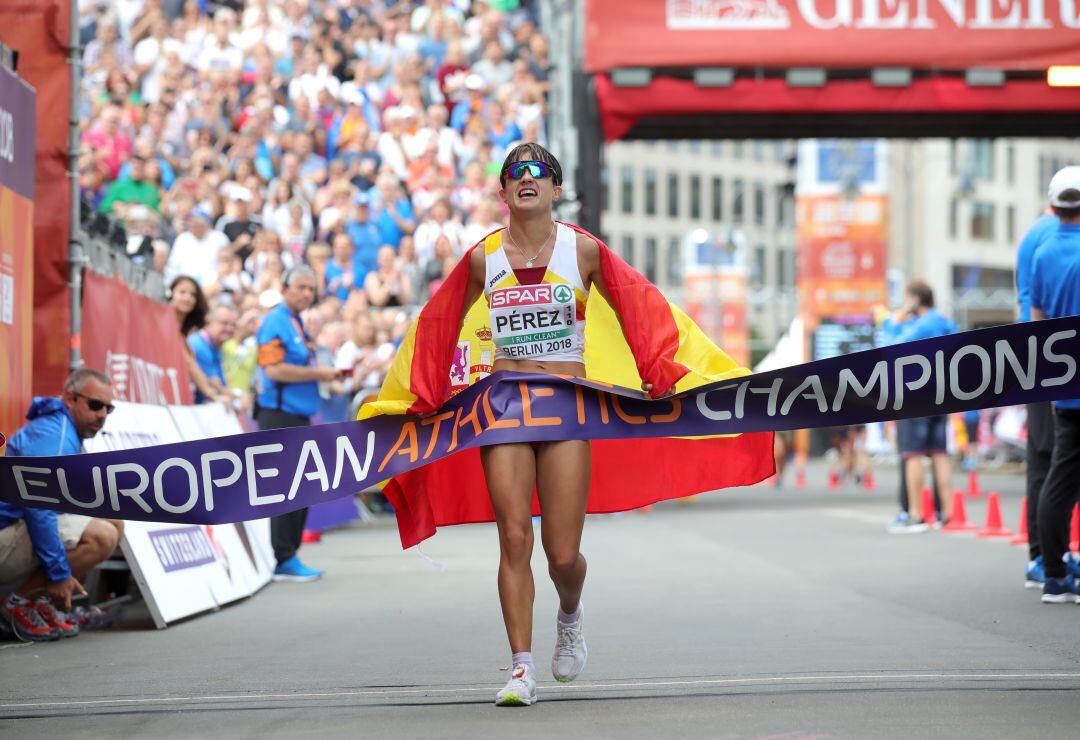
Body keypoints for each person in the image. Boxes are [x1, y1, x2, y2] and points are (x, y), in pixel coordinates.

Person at [0, 369, 125, 642]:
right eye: (95, 405)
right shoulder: (54, 435)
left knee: (113, 520)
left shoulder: (66, 431)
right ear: (70, 398)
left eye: (108, 408)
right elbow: (38, 507)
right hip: (6, 534)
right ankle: (18, 605)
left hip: (15, 530)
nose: (102, 414)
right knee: (101, 536)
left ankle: (43, 602)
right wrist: (58, 574)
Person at [255, 265, 339, 582]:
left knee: (301, 487)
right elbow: (273, 370)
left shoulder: (295, 322)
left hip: (298, 414)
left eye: (310, 289)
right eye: (300, 287)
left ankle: (289, 556)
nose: (306, 294)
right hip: (279, 415)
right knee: (286, 489)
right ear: (284, 287)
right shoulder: (274, 321)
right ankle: (284, 558)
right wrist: (319, 374)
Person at [1029, 166, 1080, 604]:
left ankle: (1055, 572)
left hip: (1066, 386)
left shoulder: (1043, 252)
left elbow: (1037, 322)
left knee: (1060, 479)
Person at [882, 281, 958, 533]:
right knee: (939, 452)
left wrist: (897, 317)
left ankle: (915, 514)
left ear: (915, 299)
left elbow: (891, 344)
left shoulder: (920, 325)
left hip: (914, 395)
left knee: (912, 453)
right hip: (943, 393)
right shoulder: (945, 322)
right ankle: (946, 513)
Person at [1015, 208, 1060, 589]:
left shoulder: (1035, 234)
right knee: (1054, 458)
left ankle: (1042, 556)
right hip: (1054, 360)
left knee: (1042, 457)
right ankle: (1048, 558)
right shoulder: (1051, 239)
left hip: (1037, 359)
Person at [170, 276, 230, 404]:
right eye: (182, 292)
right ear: (171, 293)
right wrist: (213, 394)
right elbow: (190, 364)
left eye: (193, 295)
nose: (188, 298)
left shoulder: (184, 331)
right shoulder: (166, 324)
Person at [187, 304, 239, 404]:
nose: (229, 329)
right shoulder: (197, 344)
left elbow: (221, 385)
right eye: (224, 323)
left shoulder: (216, 346)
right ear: (209, 321)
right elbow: (215, 385)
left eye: (233, 325)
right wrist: (235, 398)